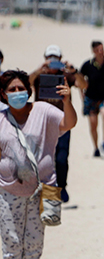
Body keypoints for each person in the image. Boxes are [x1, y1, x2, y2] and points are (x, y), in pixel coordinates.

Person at [0, 69, 77, 259]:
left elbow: (69, 123)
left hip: (40, 191)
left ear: (29, 90)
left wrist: (67, 100)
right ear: (3, 94)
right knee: (11, 242)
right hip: (7, 191)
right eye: (11, 89)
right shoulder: (0, 118)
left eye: (21, 88)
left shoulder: (43, 111)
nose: (17, 93)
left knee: (33, 242)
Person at [29, 44, 87, 202]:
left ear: (61, 60)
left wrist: (73, 71)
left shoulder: (66, 76)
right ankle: (42, 190)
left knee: (61, 158)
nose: (53, 62)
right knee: (41, 158)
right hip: (40, 123)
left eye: (56, 59)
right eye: (50, 59)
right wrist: (39, 70)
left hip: (62, 122)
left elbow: (83, 85)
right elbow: (26, 84)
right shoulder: (39, 76)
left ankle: (62, 187)